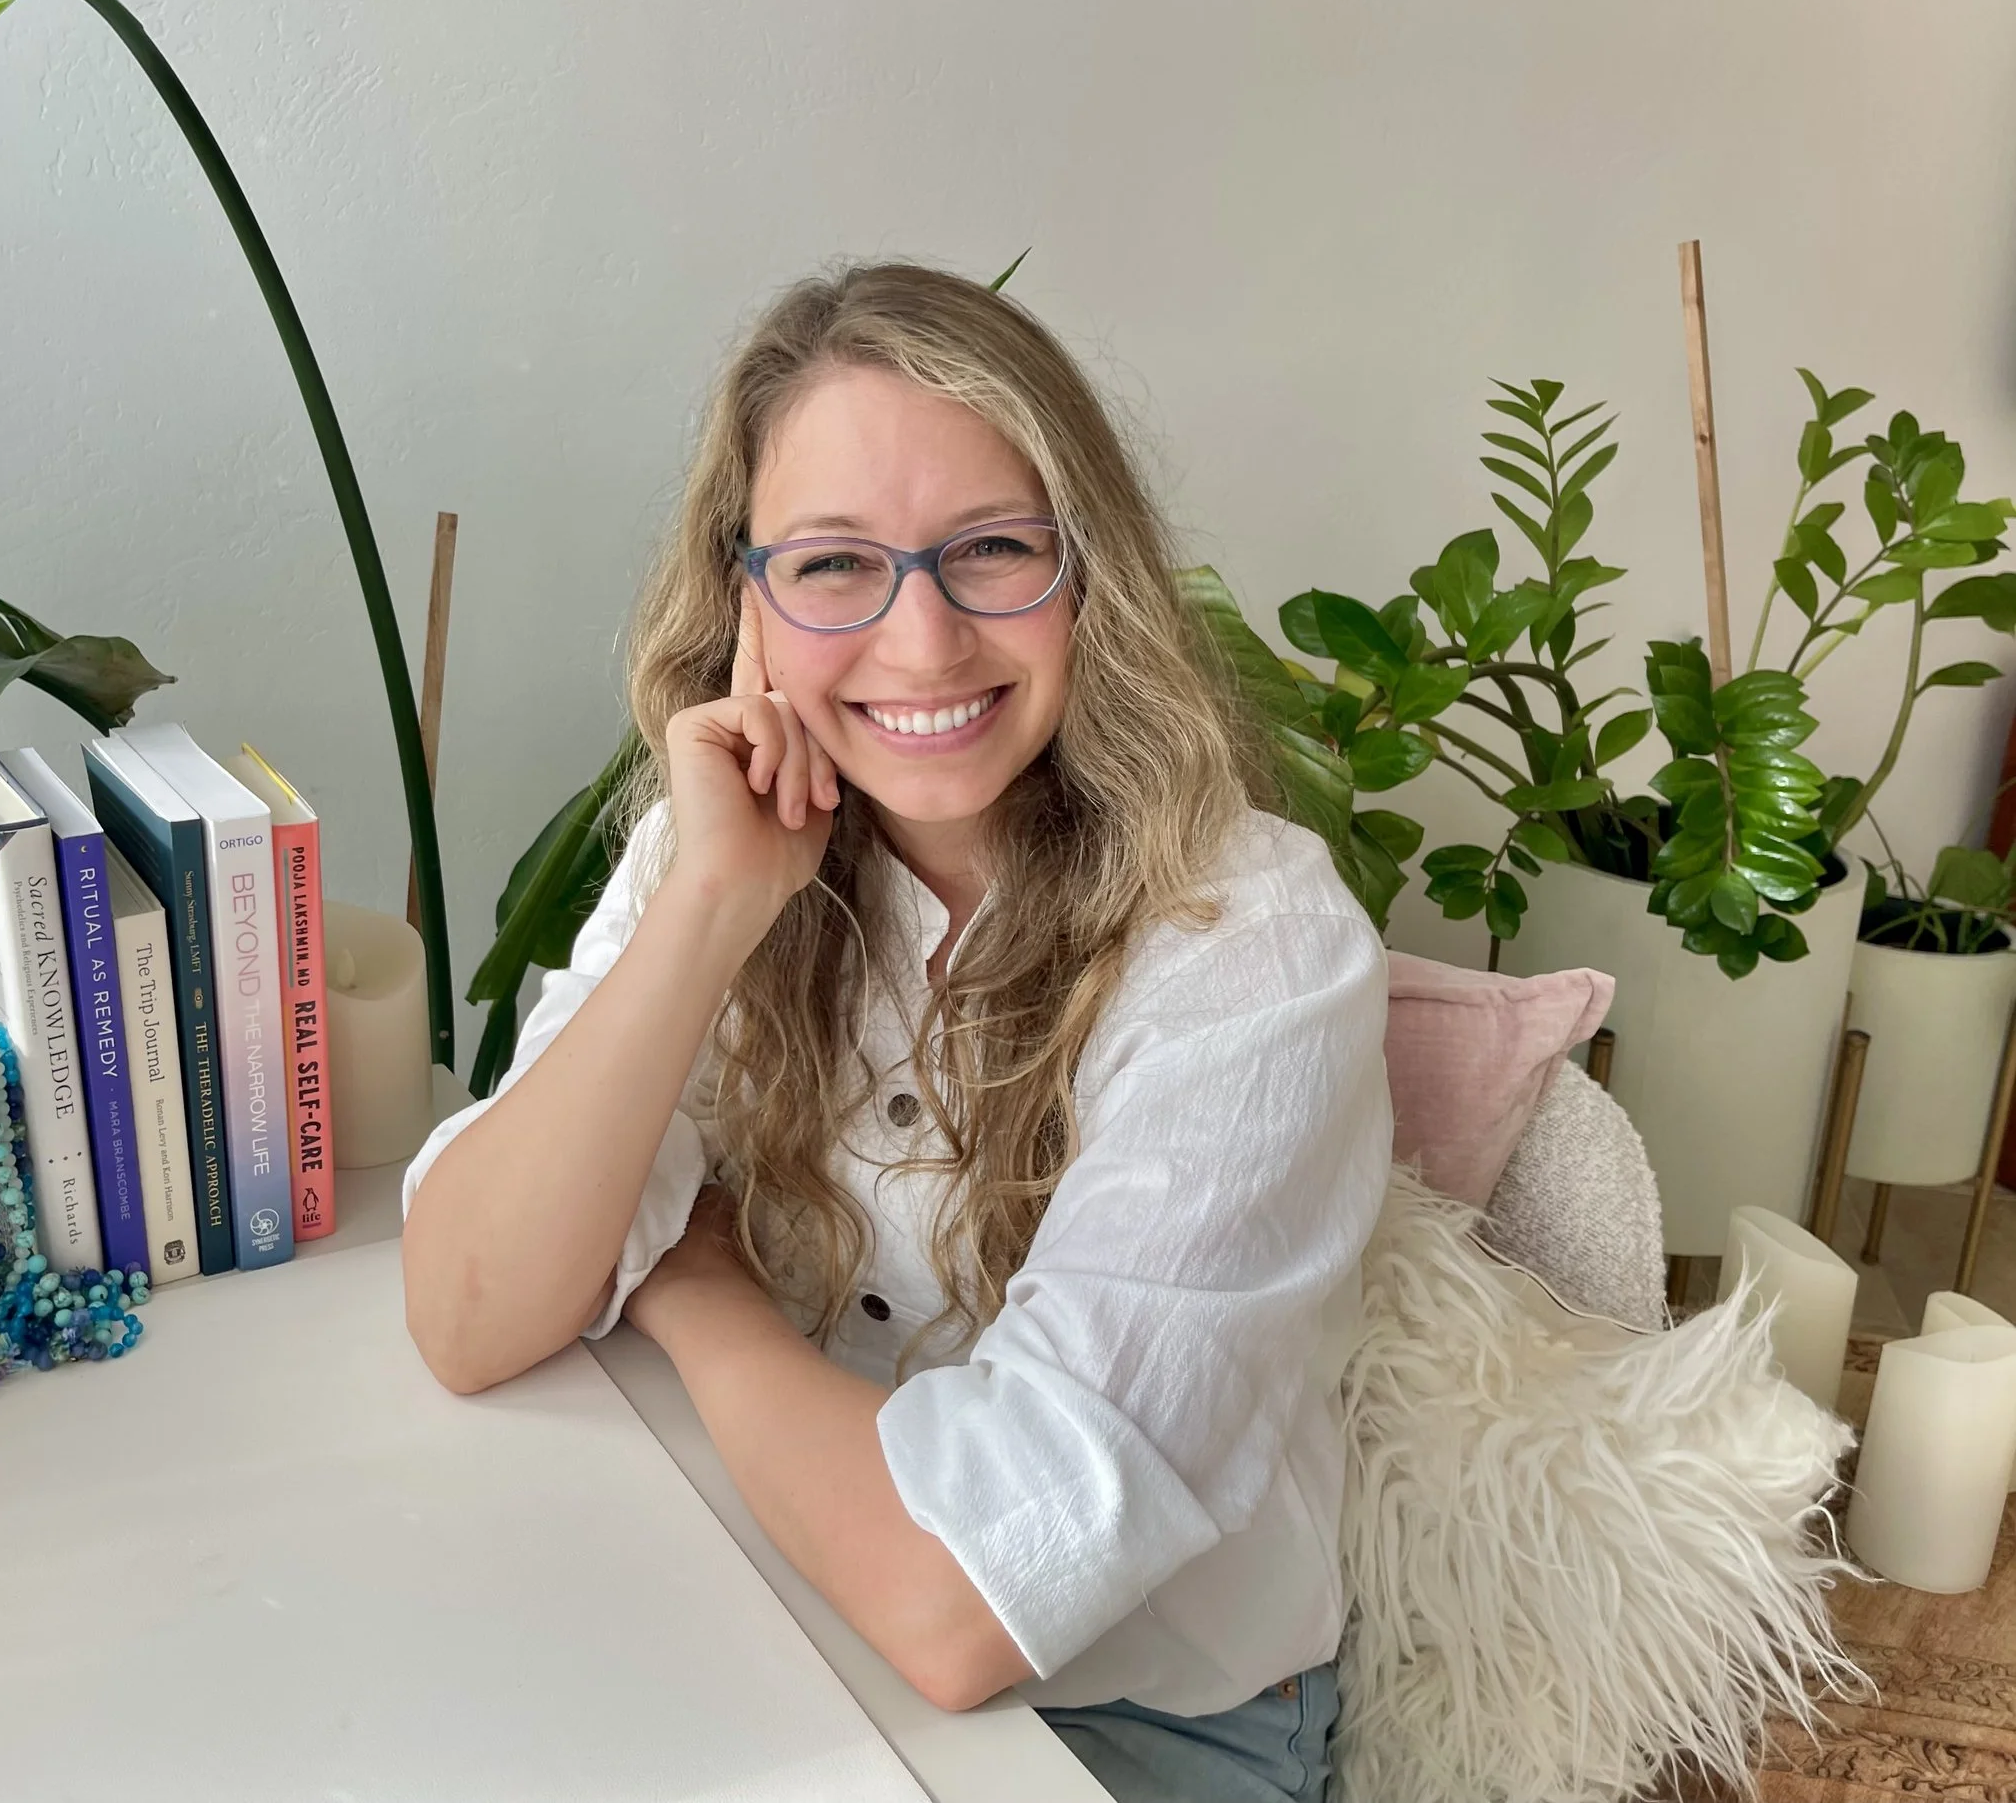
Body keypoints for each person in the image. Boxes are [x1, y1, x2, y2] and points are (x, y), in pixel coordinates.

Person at [400, 262, 1391, 1803]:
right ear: (749, 604)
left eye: (992, 549)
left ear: (1091, 573)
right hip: (771, 1608)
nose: (922, 646)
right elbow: (469, 1309)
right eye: (837, 565)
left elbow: (961, 1603)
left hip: (1139, 1726)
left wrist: (698, 1281)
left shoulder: (1252, 944)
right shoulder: (720, 845)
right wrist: (713, 906)